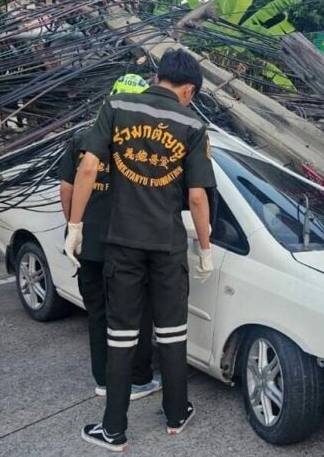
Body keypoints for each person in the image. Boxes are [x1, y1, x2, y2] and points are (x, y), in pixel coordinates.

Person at [66, 49, 216, 451]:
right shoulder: (192, 124)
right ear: (187, 89)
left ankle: (113, 430)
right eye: (192, 94)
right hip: (166, 246)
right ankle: (176, 415)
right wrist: (204, 248)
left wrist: (75, 225)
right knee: (172, 333)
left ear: (158, 76)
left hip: (123, 244)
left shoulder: (115, 106)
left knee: (121, 336)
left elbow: (87, 168)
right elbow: (198, 197)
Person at [58, 74, 162, 403]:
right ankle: (139, 380)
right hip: (128, 246)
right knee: (137, 314)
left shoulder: (82, 137)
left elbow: (66, 189)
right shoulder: (144, 144)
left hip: (87, 245)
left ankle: (103, 381)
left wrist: (75, 225)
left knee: (98, 315)